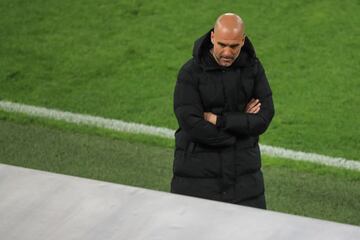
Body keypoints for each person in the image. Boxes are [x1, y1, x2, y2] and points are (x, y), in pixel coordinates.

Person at [170, 13, 275, 209]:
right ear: (212, 38)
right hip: (197, 179)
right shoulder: (190, 72)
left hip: (244, 183)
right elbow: (192, 124)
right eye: (222, 45)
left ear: (243, 41)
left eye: (234, 46)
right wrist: (241, 129)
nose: (227, 52)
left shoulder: (253, 69)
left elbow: (264, 117)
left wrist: (219, 120)